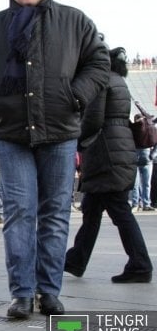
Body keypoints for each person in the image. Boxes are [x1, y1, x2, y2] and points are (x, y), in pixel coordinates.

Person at [0, 0, 110, 318]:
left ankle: (49, 290)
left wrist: (77, 94)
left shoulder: (74, 21)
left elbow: (99, 60)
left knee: (56, 212)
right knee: (19, 212)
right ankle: (22, 293)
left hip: (59, 130)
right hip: (10, 133)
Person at [65, 47, 153, 283]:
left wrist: (76, 139)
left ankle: (140, 264)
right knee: (92, 210)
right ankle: (76, 260)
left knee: (118, 210)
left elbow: (93, 119)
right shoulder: (117, 80)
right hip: (116, 149)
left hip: (106, 152)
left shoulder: (101, 81)